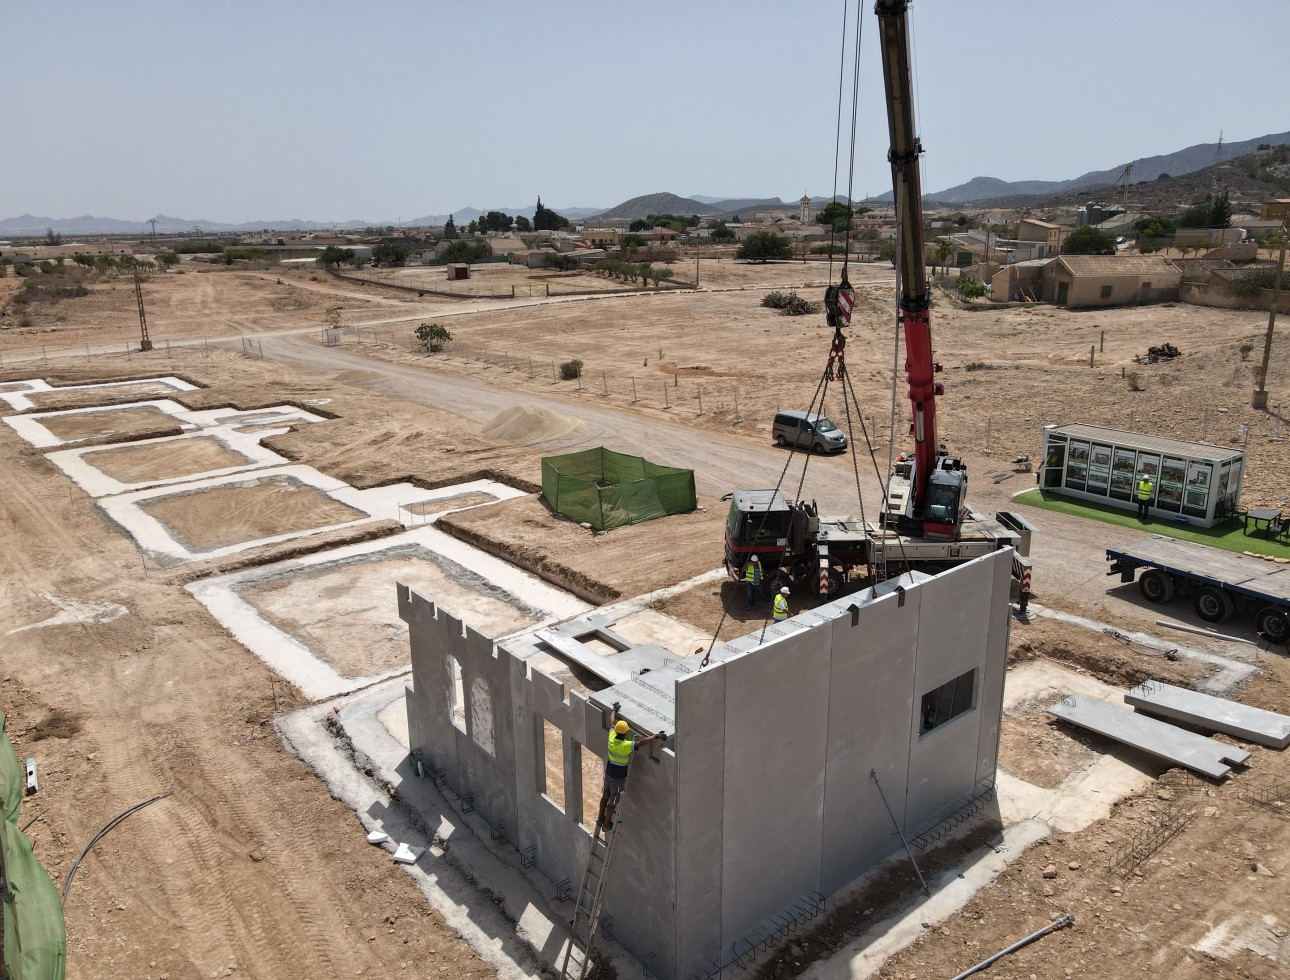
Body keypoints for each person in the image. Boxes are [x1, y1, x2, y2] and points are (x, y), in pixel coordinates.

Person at [597, 704, 664, 831]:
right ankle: (606, 824)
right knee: (612, 801)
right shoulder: (626, 746)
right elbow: (642, 742)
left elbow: (612, 723)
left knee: (605, 796)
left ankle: (600, 818)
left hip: (608, 775)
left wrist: (613, 710)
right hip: (618, 779)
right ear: (626, 733)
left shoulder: (611, 738)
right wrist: (656, 736)